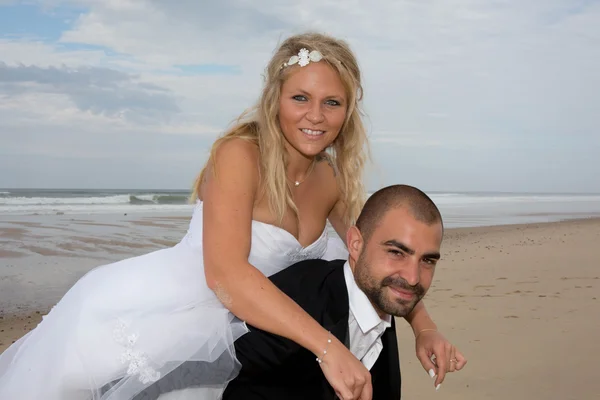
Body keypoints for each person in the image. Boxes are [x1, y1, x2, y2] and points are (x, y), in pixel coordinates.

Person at [0, 33, 464, 400]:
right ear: (275, 98)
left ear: (348, 112)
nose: (316, 116)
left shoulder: (331, 182)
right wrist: (328, 349)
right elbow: (225, 274)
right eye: (300, 98)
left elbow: (373, 257)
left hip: (258, 334)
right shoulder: (239, 155)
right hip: (174, 317)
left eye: (332, 102)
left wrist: (424, 326)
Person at [123, 184, 464, 400]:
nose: (413, 277)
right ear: (356, 244)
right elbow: (194, 370)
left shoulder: (382, 305)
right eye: (396, 252)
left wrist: (425, 327)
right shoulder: (295, 311)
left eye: (428, 260)